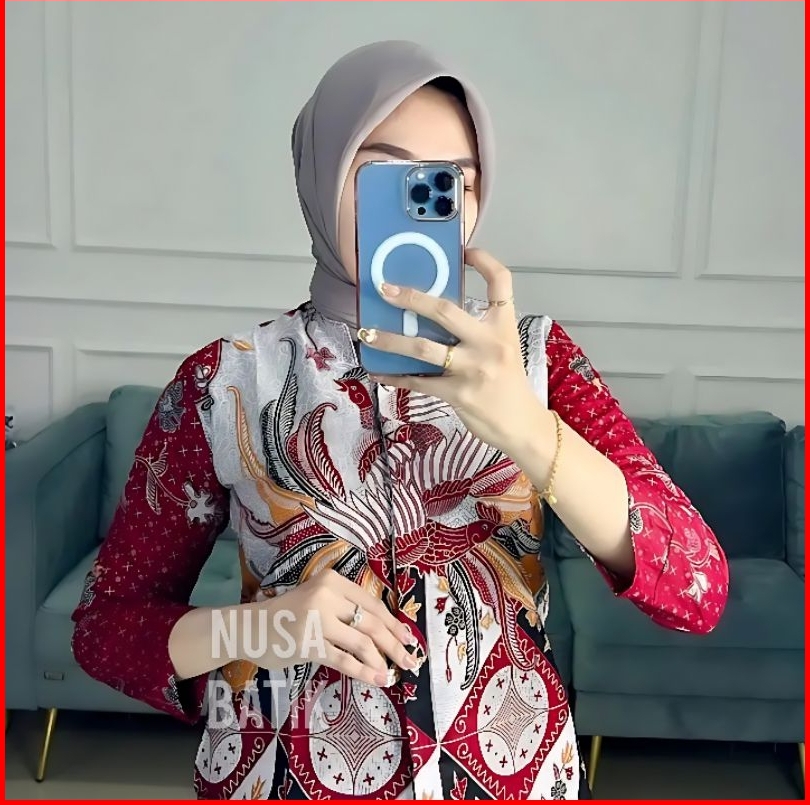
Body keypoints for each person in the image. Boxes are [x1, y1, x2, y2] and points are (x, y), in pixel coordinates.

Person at [72, 40, 729, 800]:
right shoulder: (225, 382)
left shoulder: (538, 362)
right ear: (320, 174)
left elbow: (697, 590)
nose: (422, 204)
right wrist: (261, 627)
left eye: (453, 182)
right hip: (279, 775)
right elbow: (104, 630)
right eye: (383, 174)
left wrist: (526, 426)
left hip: (512, 773)